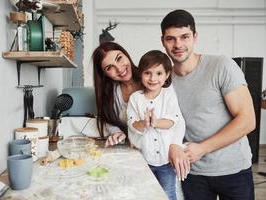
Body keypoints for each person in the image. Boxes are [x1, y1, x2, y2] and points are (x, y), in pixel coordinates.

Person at [160, 9, 256, 200]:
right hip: (192, 173)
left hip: (234, 170)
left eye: (184, 37)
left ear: (195, 37)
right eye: (171, 38)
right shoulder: (163, 79)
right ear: (162, 41)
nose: (178, 44)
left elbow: (248, 120)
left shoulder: (221, 65)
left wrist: (202, 148)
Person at [127, 50, 185, 200]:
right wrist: (144, 123)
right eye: (148, 73)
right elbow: (132, 125)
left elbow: (174, 119)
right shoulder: (135, 98)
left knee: (168, 193)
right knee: (145, 194)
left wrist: (156, 122)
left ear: (167, 75)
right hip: (144, 160)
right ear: (141, 74)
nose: (153, 78)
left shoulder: (169, 94)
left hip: (166, 161)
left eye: (159, 73)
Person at [92, 42, 141, 147]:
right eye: (109, 68)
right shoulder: (111, 94)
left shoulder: (152, 80)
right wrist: (116, 132)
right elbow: (108, 119)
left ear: (126, 55)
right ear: (104, 74)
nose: (119, 69)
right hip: (129, 148)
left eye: (119, 58)